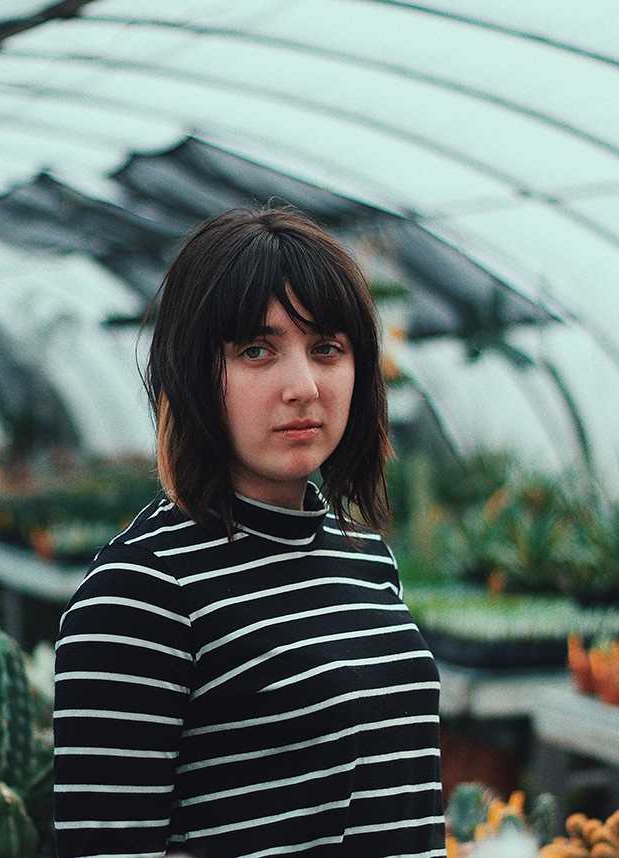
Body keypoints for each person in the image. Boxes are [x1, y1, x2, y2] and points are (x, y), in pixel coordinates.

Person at [53, 206, 445, 858]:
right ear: (192, 370)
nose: (303, 386)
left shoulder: (366, 561)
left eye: (327, 349)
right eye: (256, 351)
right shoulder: (142, 592)